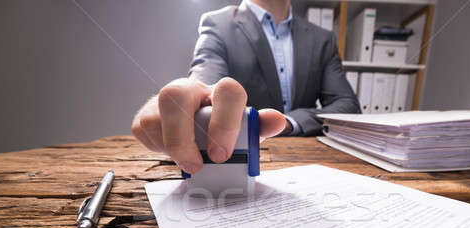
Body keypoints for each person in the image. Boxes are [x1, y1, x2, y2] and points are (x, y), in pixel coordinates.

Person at [131, 0, 360, 174]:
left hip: (314, 163)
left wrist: (290, 122)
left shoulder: (324, 39)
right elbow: (204, 87)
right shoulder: (218, 24)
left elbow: (347, 106)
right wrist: (184, 100)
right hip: (237, 162)